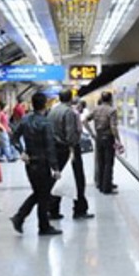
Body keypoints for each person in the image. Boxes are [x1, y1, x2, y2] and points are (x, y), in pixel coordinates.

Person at [10, 92, 62, 236]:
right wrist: (55, 168)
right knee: (43, 196)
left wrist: (21, 152)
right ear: (45, 104)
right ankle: (40, 226)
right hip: (43, 163)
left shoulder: (25, 120)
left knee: (40, 194)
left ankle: (21, 218)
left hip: (30, 163)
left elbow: (14, 138)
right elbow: (50, 147)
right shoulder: (46, 123)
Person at [48, 90, 93, 220]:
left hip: (55, 149)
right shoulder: (69, 112)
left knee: (57, 179)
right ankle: (79, 210)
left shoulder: (53, 111)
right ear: (71, 98)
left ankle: (53, 210)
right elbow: (70, 134)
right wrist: (73, 149)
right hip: (68, 149)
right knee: (78, 179)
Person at [83, 91, 121, 194]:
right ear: (110, 99)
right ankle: (106, 188)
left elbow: (84, 120)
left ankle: (100, 184)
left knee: (100, 162)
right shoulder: (112, 110)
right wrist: (118, 140)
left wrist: (91, 133)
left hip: (98, 138)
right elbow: (113, 127)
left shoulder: (96, 109)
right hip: (108, 138)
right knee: (108, 162)